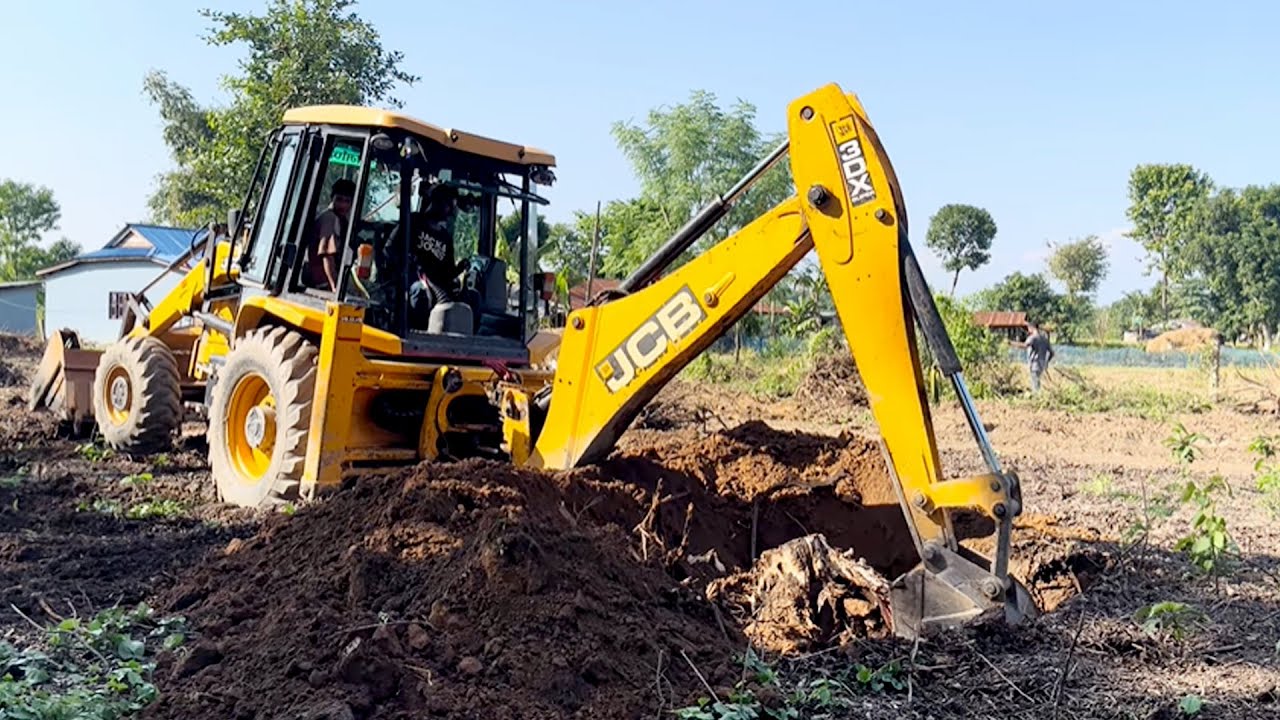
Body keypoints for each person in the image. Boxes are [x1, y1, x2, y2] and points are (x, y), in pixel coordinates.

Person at [306, 178, 355, 291]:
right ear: (332, 198)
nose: (342, 205)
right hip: (323, 282)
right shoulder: (329, 218)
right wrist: (334, 287)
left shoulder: (342, 220)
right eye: (339, 199)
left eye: (347, 201)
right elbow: (327, 256)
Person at [1024, 322, 1055, 393]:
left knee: (1035, 384)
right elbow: (1052, 353)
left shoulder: (1033, 338)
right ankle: (1038, 397)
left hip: (1034, 364)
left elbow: (1025, 345)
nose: (1028, 330)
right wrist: (1046, 362)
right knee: (1037, 382)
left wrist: (1011, 343)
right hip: (1042, 364)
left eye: (1028, 328)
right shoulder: (1044, 338)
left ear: (1032, 328)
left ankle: (1036, 399)